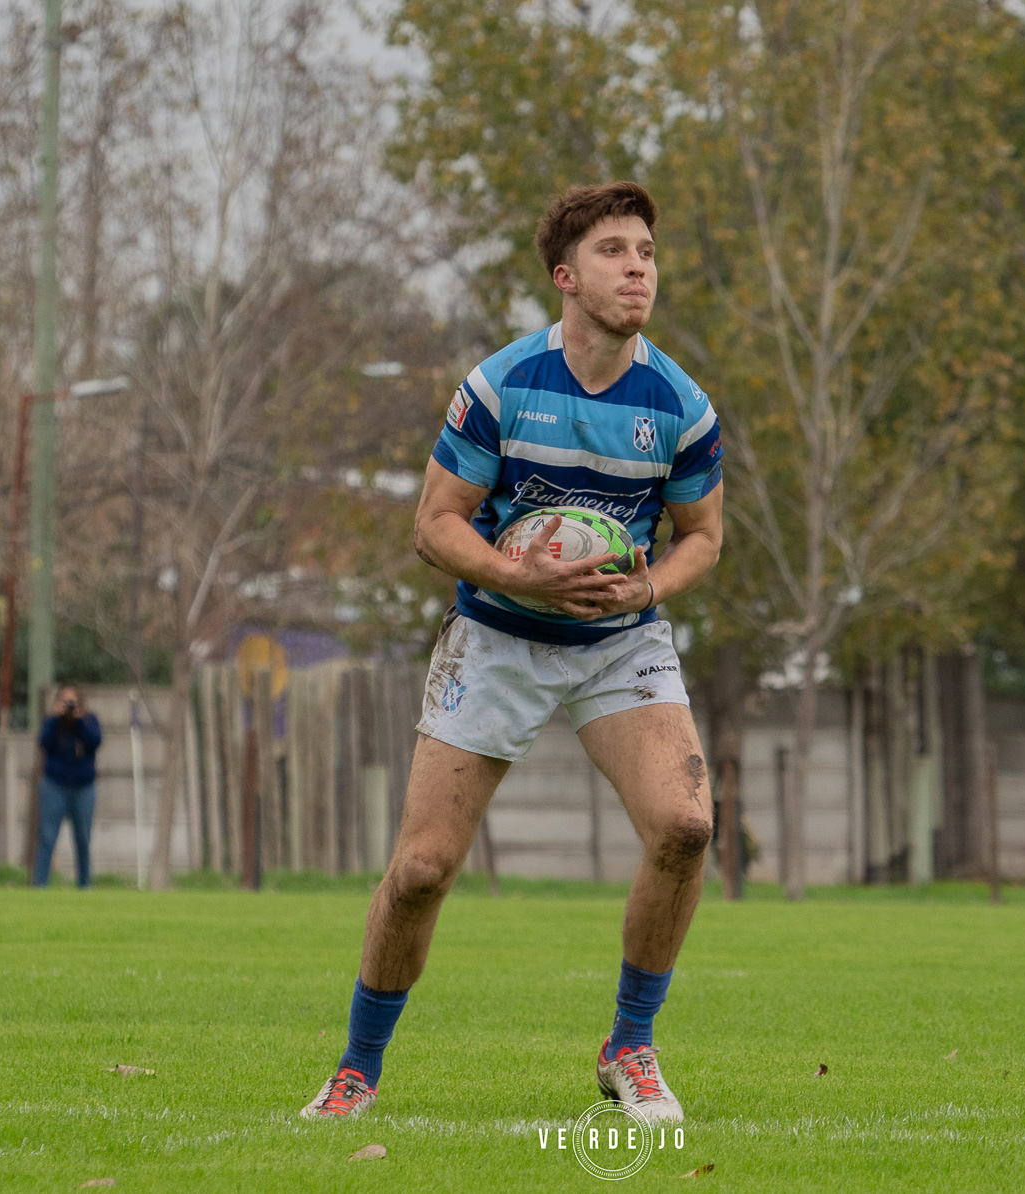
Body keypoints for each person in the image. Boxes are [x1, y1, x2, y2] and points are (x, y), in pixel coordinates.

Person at [302, 181, 723, 1123]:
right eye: (616, 252)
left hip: (619, 646)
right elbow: (432, 526)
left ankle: (631, 1046)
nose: (639, 269)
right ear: (567, 278)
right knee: (420, 870)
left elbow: (703, 537)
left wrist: (648, 587)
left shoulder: (683, 406)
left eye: (648, 252)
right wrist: (519, 578)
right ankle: (357, 1069)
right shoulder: (502, 387)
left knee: (687, 826)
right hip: (497, 637)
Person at [34, 685, 102, 889]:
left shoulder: (90, 721)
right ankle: (39, 887)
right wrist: (57, 718)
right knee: (47, 838)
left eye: (73, 703)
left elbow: (95, 742)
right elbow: (44, 742)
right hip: (54, 786)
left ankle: (84, 886)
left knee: (83, 840)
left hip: (83, 788)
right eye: (66, 702)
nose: (70, 707)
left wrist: (79, 722)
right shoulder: (51, 723)